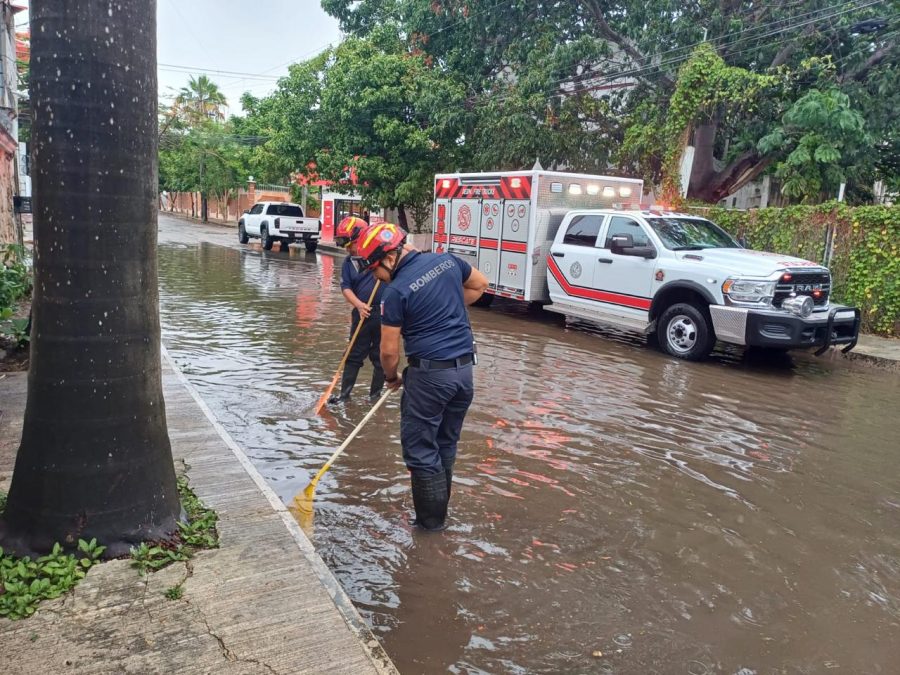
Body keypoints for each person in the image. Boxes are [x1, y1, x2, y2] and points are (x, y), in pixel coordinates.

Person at [356, 222, 489, 531]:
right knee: (445, 444)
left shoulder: (395, 292)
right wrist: (441, 305)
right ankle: (441, 521)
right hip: (463, 375)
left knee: (421, 452)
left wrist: (391, 377)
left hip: (429, 379)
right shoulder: (447, 261)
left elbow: (389, 353)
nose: (375, 277)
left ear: (390, 258)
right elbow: (480, 285)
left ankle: (429, 530)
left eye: (374, 269)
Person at [329, 216, 385, 404]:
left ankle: (375, 397)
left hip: (384, 314)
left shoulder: (380, 256)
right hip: (362, 313)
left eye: (350, 244)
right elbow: (346, 287)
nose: (348, 249)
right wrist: (359, 305)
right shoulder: (348, 263)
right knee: (353, 355)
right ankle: (344, 396)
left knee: (380, 357)